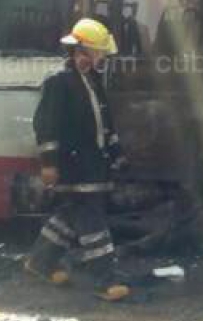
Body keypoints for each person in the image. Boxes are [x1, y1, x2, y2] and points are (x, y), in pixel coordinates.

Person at [24, 17, 132, 302]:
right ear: (82, 51)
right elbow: (45, 125)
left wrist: (117, 154)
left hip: (92, 162)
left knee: (70, 214)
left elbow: (104, 123)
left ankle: (40, 261)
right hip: (74, 164)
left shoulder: (92, 80)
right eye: (99, 52)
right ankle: (105, 279)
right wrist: (49, 163)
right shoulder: (59, 81)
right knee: (91, 218)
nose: (103, 57)